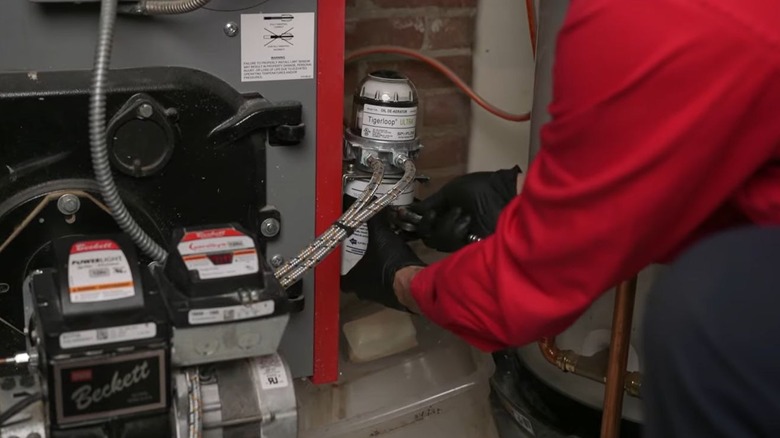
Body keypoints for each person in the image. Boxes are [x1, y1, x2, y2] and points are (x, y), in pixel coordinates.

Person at [342, 0, 780, 436]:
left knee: (707, 311)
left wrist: (404, 281)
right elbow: (696, 168)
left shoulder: (644, 16)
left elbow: (535, 281)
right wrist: (518, 196)